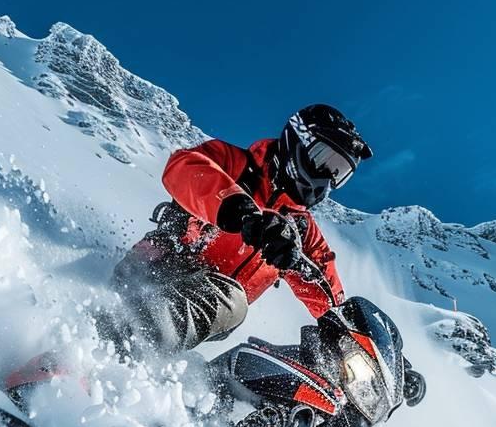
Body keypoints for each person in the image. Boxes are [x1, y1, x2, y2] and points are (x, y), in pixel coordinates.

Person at [101, 104, 374, 355]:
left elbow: (328, 293)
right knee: (232, 298)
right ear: (298, 142)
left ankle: (135, 356)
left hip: (207, 311)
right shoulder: (234, 165)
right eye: (324, 160)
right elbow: (183, 168)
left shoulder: (301, 231)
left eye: (339, 173)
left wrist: (368, 349)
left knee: (240, 320)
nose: (327, 177)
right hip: (157, 269)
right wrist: (241, 211)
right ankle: (111, 340)